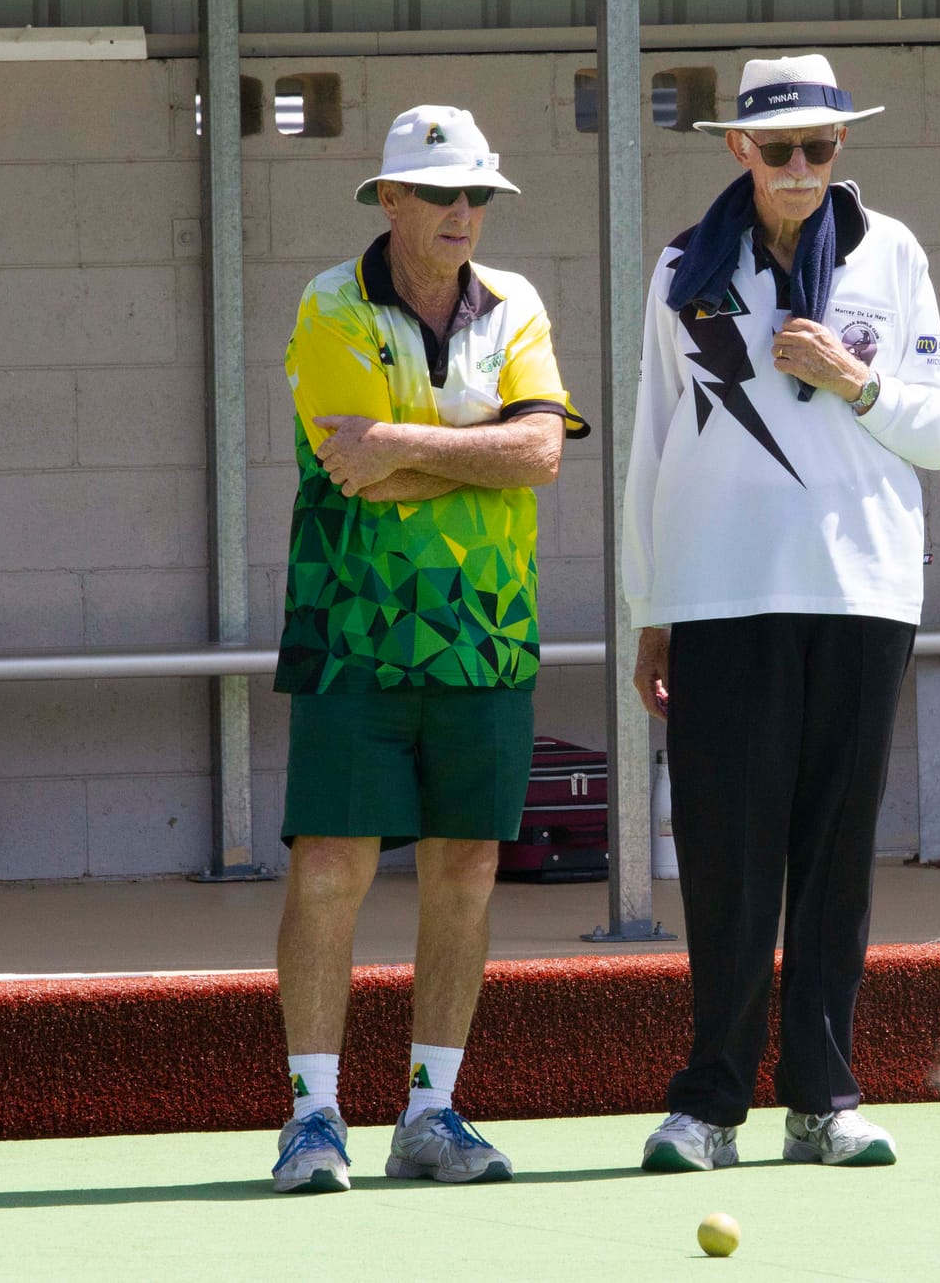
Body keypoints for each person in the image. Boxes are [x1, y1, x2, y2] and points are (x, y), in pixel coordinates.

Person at [622, 55, 940, 1172]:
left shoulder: (892, 253)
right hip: (719, 594)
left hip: (861, 592)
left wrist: (852, 378)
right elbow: (650, 445)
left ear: (840, 149)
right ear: (738, 149)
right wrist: (649, 609)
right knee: (725, 860)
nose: (801, 168)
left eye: (821, 146)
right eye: (779, 149)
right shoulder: (684, 265)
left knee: (833, 857)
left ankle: (823, 1097)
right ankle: (708, 1105)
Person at [268, 105, 587, 1193]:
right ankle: (312, 1115)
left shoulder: (519, 306)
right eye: (442, 194)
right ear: (388, 199)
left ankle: (431, 1112)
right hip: (352, 633)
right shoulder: (327, 304)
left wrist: (406, 441)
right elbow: (354, 474)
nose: (464, 213)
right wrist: (480, 449)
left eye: (478, 197)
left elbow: (542, 450)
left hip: (487, 637)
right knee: (330, 864)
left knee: (467, 866)